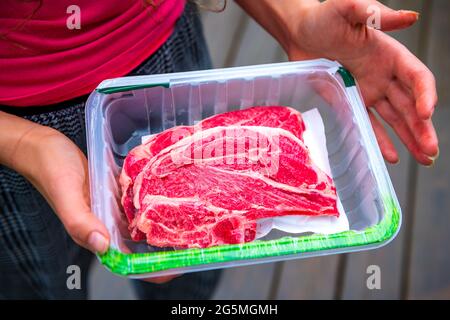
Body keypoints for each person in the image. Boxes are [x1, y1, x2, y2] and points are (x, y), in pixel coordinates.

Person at [0, 0, 438, 299]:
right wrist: (27, 143)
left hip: (167, 58)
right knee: (42, 286)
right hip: (14, 123)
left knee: (190, 279)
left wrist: (295, 18)